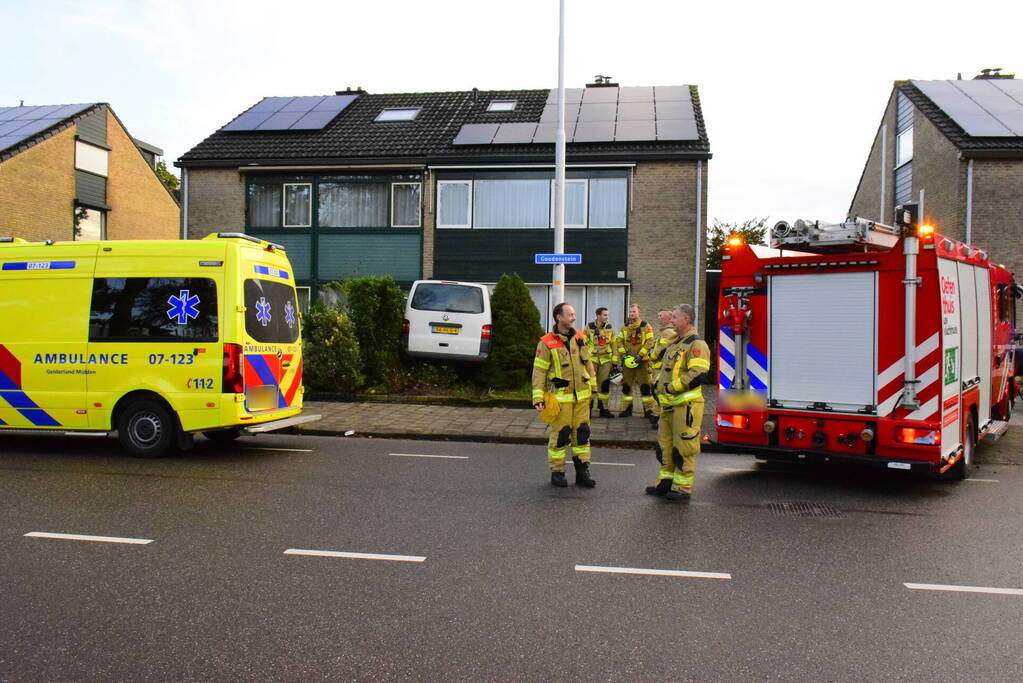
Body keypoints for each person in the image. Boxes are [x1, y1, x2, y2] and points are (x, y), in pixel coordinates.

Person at [645, 303, 711, 502]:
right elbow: (656, 361)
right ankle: (665, 483)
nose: (670, 321)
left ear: (686, 320)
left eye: (675, 317)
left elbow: (698, 374)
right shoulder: (676, 342)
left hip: (686, 406)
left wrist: (672, 387)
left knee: (683, 449)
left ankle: (682, 488)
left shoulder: (697, 344)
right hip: (668, 406)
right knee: (665, 448)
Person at [532, 302, 598, 488]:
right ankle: (558, 472)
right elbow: (539, 372)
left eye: (574, 314)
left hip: (582, 398)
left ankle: (582, 471)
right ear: (558, 317)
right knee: (561, 435)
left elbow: (588, 364)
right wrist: (538, 398)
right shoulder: (546, 342)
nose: (574, 317)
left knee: (583, 435)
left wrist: (593, 388)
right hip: (562, 399)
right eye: (570, 314)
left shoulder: (580, 337)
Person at [615, 303, 655, 421]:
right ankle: (627, 408)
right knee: (626, 386)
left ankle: (648, 410)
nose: (632, 314)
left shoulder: (646, 326)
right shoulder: (624, 327)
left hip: (642, 362)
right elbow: (619, 342)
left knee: (645, 386)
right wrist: (623, 355)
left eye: (634, 312)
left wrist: (640, 355)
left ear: (639, 313)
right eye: (630, 312)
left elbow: (650, 341)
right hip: (628, 362)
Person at [647, 308, 680, 429]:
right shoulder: (666, 331)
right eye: (658, 315)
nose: (658, 318)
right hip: (659, 367)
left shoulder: (668, 333)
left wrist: (652, 355)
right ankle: (657, 415)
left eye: (661, 316)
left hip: (661, 368)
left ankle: (660, 417)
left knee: (659, 392)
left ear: (669, 318)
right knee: (657, 392)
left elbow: (662, 349)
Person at [585, 306, 618, 418]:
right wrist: (584, 359)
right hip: (592, 360)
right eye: (604, 315)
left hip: (606, 361)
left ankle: (603, 408)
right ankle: (588, 408)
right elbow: (583, 343)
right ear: (598, 316)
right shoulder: (589, 327)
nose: (606, 317)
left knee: (604, 385)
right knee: (590, 384)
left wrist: (614, 361)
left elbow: (614, 344)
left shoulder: (610, 328)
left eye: (607, 315)